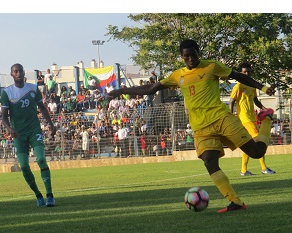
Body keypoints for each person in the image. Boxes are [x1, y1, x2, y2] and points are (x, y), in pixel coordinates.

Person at [108, 39, 275, 213]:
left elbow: (238, 76)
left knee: (257, 152)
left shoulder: (211, 66)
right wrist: (121, 91)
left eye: (193, 54)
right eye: (186, 56)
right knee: (209, 161)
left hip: (221, 118)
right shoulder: (177, 75)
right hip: (201, 128)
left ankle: (267, 120)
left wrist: (262, 87)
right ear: (182, 57)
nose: (190, 59)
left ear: (198, 52)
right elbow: (152, 89)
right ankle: (236, 202)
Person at [1, 63, 56, 207]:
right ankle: (38, 196)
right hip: (19, 134)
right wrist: (10, 129)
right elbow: (3, 117)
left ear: (24, 73)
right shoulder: (7, 92)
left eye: (20, 71)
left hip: (34, 130)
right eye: (15, 71)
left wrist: (51, 124)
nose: (18, 73)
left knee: (41, 159)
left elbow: (42, 108)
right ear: (12, 74)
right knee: (24, 166)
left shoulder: (33, 88)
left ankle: (49, 195)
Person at [229, 62, 276, 176]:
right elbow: (231, 101)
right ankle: (264, 168)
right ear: (240, 73)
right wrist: (230, 117)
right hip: (244, 119)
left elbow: (256, 101)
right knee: (259, 142)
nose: (247, 73)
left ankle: (244, 170)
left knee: (248, 144)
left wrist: (265, 110)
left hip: (252, 118)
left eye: (248, 72)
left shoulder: (251, 86)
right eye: (244, 72)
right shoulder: (238, 86)